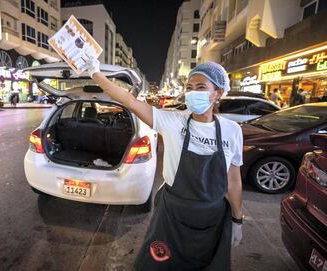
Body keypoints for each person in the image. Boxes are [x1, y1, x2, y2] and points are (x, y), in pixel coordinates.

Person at [84, 57, 243, 270]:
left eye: (201, 87)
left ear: (219, 92)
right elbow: (129, 101)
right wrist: (96, 74)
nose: (193, 92)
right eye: (189, 87)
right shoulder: (173, 122)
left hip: (212, 217)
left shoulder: (232, 130)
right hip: (173, 213)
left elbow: (233, 180)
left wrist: (237, 220)